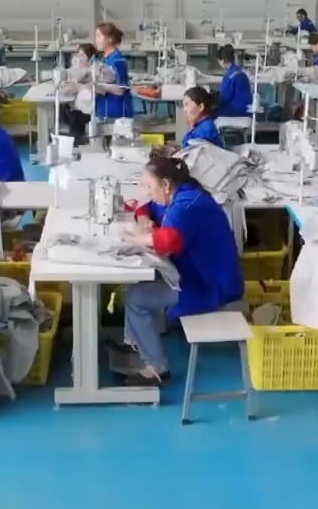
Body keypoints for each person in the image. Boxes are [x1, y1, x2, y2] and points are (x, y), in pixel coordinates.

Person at [118, 155, 243, 386]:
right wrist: (145, 220)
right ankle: (136, 342)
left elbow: (168, 241)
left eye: (149, 186)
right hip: (193, 273)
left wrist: (133, 239)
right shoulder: (180, 193)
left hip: (207, 285)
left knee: (136, 297)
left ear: (165, 184)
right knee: (138, 283)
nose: (147, 191)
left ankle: (157, 369)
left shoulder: (188, 205)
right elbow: (145, 205)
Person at [94, 22, 134, 120]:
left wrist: (97, 85)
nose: (96, 41)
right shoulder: (102, 59)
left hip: (117, 112)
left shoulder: (117, 60)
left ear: (110, 39)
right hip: (103, 109)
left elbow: (120, 89)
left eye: (99, 36)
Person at [59, 43, 97, 142]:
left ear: (90, 58)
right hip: (78, 107)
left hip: (87, 110)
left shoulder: (92, 71)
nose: (79, 58)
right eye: (78, 55)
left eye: (82, 55)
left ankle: (77, 142)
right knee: (64, 109)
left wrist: (74, 83)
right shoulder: (75, 70)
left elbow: (70, 89)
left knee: (73, 117)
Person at [215, 44, 253, 117]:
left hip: (237, 110)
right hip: (247, 109)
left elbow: (224, 97)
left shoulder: (230, 76)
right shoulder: (241, 71)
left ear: (222, 61)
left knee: (210, 112)